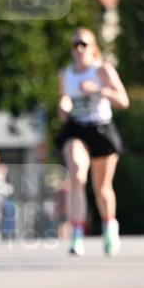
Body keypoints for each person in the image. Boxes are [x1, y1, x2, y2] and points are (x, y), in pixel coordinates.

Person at [56, 28, 129, 256]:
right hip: (77, 129)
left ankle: (109, 228)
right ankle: (77, 235)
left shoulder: (102, 70)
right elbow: (63, 100)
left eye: (83, 44)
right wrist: (63, 106)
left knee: (102, 188)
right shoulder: (66, 73)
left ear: (93, 47)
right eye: (75, 45)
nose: (79, 49)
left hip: (101, 128)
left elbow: (123, 101)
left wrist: (98, 90)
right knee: (77, 176)